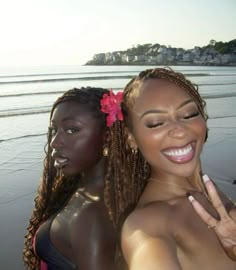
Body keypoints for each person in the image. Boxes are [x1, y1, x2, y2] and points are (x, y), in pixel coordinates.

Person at [118, 68, 236, 269]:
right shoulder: (145, 227)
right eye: (156, 123)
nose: (180, 130)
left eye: (189, 114)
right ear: (131, 138)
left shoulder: (207, 188)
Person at [23, 87, 129, 270]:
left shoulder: (91, 217)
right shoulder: (96, 191)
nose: (55, 141)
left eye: (72, 130)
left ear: (107, 138)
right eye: (54, 130)